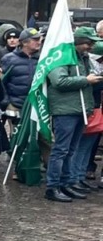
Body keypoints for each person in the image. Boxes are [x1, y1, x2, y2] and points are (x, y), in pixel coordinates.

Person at [44, 28, 103, 202]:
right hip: (65, 111)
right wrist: (86, 80)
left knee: (71, 150)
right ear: (77, 41)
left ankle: (67, 183)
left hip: (79, 109)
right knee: (61, 150)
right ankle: (52, 187)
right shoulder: (62, 58)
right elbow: (58, 81)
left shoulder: (83, 59)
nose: (91, 46)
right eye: (88, 43)